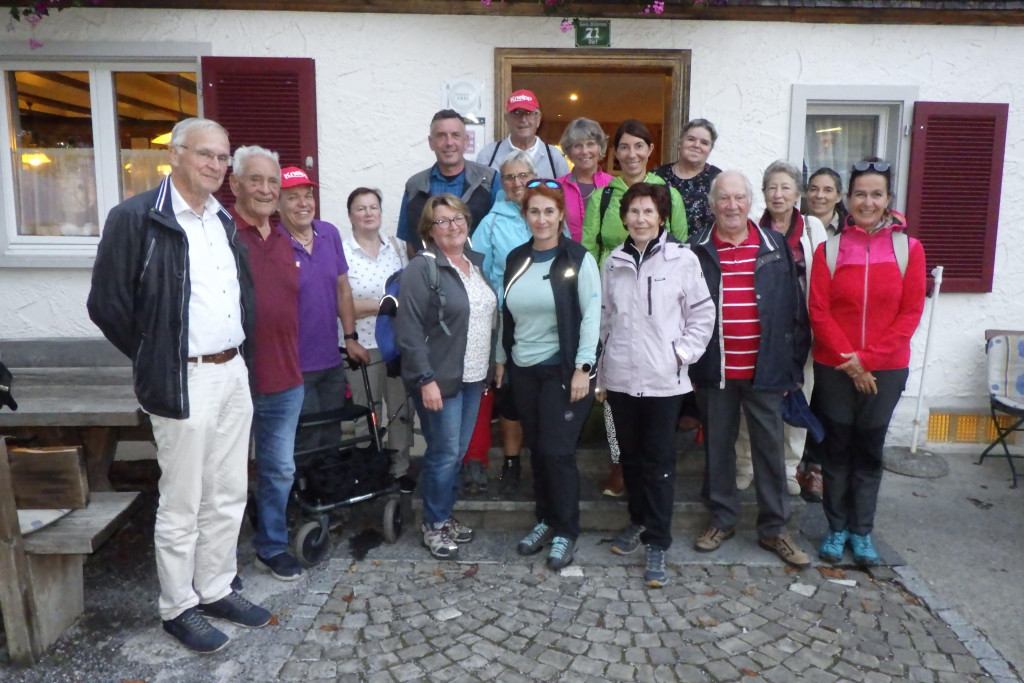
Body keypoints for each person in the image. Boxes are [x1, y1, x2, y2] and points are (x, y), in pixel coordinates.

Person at [88, 117, 271, 653]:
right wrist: (157, 356)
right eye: (204, 154)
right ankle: (177, 606)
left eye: (222, 156)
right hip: (182, 375)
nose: (215, 164)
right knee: (183, 499)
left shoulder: (222, 219)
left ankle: (215, 588)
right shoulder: (137, 218)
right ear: (175, 154)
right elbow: (107, 306)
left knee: (228, 490)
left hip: (232, 371)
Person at [688, 170, 812, 569]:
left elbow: (795, 310)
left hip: (766, 370)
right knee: (718, 449)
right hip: (715, 369)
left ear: (750, 202)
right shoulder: (696, 249)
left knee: (769, 451)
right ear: (712, 204)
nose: (732, 206)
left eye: (739, 198)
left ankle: (775, 528)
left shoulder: (775, 246)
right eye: (724, 198)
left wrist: (792, 367)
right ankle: (721, 520)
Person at [598, 183, 715, 588]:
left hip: (664, 382)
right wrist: (602, 371)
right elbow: (605, 318)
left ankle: (658, 541)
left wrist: (680, 355)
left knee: (659, 463)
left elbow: (702, 314)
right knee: (629, 458)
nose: (640, 219)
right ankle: (639, 521)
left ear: (662, 217)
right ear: (624, 218)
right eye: (633, 211)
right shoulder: (613, 261)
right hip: (621, 378)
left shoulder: (682, 259)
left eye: (648, 211)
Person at [810, 158, 925, 567]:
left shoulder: (909, 250)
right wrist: (852, 362)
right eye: (860, 194)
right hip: (835, 368)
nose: (868, 202)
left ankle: (861, 531)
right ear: (848, 198)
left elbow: (910, 314)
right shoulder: (830, 249)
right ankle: (836, 527)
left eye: (876, 194)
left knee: (869, 449)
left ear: (888, 198)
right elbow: (818, 310)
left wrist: (868, 360)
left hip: (886, 369)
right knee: (837, 448)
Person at [495, 178, 600, 571]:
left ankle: (566, 530)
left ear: (560, 216)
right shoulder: (516, 258)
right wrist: (500, 358)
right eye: (534, 211)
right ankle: (545, 518)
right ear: (525, 216)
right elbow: (505, 313)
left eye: (549, 211)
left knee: (558, 451)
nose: (541, 219)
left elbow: (591, 314)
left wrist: (583, 368)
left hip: (563, 370)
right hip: (524, 369)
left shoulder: (578, 259)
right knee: (538, 449)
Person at [581, 118, 688, 498]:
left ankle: (649, 473)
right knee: (614, 388)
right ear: (615, 152)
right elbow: (589, 248)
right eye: (624, 147)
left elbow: (680, 246)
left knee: (654, 399)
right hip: (613, 297)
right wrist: (591, 301)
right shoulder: (602, 197)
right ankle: (619, 462)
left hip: (658, 306)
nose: (631, 154)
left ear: (650, 151)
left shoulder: (669, 193)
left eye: (638, 146)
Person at [395, 194, 497, 560]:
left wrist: (491, 366)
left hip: (473, 376)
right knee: (444, 453)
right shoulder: (421, 268)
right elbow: (408, 330)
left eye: (458, 219)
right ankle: (433, 525)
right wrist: (425, 380)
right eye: (442, 221)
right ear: (430, 230)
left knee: (456, 454)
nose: (452, 226)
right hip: (440, 380)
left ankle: (443, 515)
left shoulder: (475, 264)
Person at [228, 145, 304, 581]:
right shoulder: (222, 235)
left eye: (272, 181)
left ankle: (271, 546)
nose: (265, 189)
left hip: (285, 377)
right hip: (234, 378)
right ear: (235, 184)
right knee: (226, 476)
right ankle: (220, 565)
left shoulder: (282, 238)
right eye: (255, 179)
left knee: (279, 470)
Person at [733, 160, 827, 497]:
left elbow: (824, 279)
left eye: (785, 187)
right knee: (751, 401)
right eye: (772, 187)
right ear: (763, 193)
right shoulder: (753, 230)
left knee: (799, 396)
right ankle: (745, 464)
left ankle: (789, 467)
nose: (778, 194)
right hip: (763, 330)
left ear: (797, 193)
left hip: (803, 331)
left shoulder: (813, 229)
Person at [278, 167, 370, 457]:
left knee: (332, 433)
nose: (303, 203)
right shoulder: (273, 242)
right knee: (306, 437)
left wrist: (351, 338)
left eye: (308, 195)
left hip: (330, 359)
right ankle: (303, 484)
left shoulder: (329, 233)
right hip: (294, 365)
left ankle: (329, 483)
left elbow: (343, 289)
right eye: (293, 197)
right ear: (277, 203)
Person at [461, 150, 536, 495]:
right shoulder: (491, 222)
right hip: (505, 321)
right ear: (501, 183)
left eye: (523, 175)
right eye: (509, 177)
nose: (517, 183)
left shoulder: (546, 212)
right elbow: (476, 270)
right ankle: (510, 461)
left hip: (544, 323)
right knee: (507, 393)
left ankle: (541, 460)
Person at [342, 187, 415, 493]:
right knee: (367, 412)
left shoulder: (396, 248)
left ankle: (400, 471)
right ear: (350, 216)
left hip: (395, 344)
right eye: (361, 208)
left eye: (373, 207)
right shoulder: (342, 252)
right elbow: (341, 304)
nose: (368, 213)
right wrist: (383, 304)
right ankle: (368, 472)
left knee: (400, 411)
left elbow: (408, 295)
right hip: (362, 346)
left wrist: (373, 304)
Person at [398, 109, 499, 259]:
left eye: (455, 135)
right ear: (431, 143)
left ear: (466, 140)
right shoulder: (415, 186)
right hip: (430, 271)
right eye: (441, 136)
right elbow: (410, 243)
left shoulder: (489, 180)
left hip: (478, 270)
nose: (449, 143)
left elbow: (502, 233)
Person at [477, 89, 570, 179]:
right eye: (516, 113)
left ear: (538, 118)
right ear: (507, 119)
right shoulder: (489, 155)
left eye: (528, 113)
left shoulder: (554, 157)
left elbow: (566, 189)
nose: (523, 119)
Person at [653, 118, 723, 236]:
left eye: (704, 143)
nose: (696, 145)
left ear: (710, 149)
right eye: (691, 139)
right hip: (661, 245)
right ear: (680, 142)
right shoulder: (658, 176)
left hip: (704, 246)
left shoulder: (718, 179)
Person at [557, 117, 614, 242]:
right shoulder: (556, 187)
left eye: (590, 144)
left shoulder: (614, 186)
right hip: (567, 253)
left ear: (600, 147)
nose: (584, 151)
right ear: (569, 150)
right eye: (578, 145)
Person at [806, 167, 848, 237]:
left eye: (828, 190)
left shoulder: (849, 230)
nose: (819, 195)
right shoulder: (793, 226)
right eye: (814, 189)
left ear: (839, 197)